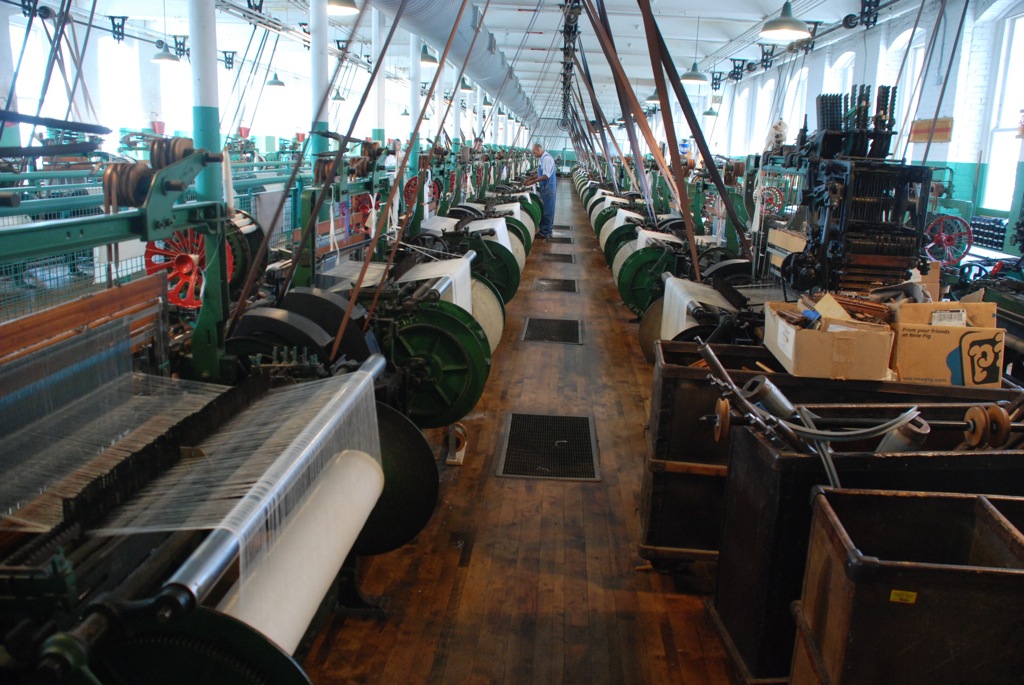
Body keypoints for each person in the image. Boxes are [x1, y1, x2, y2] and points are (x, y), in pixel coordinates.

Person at [524, 142, 556, 239]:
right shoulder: (543, 158)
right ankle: (544, 230)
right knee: (545, 209)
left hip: (548, 188)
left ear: (538, 149)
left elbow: (545, 175)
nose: (534, 155)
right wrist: (530, 178)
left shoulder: (546, 159)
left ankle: (547, 232)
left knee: (547, 210)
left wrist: (533, 181)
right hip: (546, 188)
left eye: (534, 153)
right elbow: (540, 173)